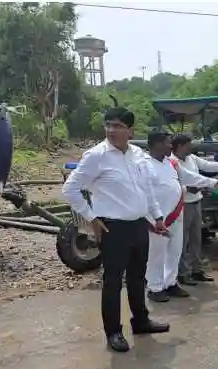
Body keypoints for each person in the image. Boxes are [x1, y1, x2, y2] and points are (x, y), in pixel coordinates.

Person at [61, 107, 170, 353]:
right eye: (108, 125)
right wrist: (91, 218)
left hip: (139, 224)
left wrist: (157, 217)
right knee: (112, 282)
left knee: (137, 277)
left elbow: (147, 189)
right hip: (113, 228)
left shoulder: (138, 155)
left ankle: (140, 321)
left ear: (131, 131)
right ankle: (113, 332)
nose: (111, 130)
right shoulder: (96, 156)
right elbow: (70, 189)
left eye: (118, 126)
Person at [141, 131, 218, 302]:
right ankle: (155, 288)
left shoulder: (171, 163)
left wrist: (213, 183)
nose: (170, 146)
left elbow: (189, 177)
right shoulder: (143, 165)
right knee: (157, 255)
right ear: (157, 144)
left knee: (175, 251)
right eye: (167, 143)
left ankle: (170, 283)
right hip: (156, 219)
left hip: (177, 215)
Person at [170, 134, 218, 285]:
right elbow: (191, 177)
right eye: (188, 145)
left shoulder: (192, 158)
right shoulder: (173, 161)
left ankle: (196, 270)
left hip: (196, 202)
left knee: (195, 239)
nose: (191, 147)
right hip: (182, 204)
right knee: (182, 240)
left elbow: (207, 166)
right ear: (180, 146)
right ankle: (183, 273)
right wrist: (211, 183)